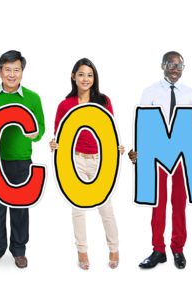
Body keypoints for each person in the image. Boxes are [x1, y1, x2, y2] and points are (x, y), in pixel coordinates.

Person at [133, 51, 192, 270]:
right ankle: (158, 249)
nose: (176, 69)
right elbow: (143, 123)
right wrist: (139, 153)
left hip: (181, 154)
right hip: (157, 153)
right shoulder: (150, 92)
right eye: (171, 64)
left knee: (179, 202)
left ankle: (178, 248)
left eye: (180, 65)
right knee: (157, 203)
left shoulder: (190, 93)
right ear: (162, 66)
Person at [49, 58, 124, 270]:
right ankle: (82, 251)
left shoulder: (103, 100)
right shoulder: (65, 104)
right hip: (76, 160)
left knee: (106, 207)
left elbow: (111, 129)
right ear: (73, 76)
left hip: (101, 160)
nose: (85, 79)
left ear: (94, 78)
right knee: (77, 209)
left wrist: (117, 148)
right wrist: (54, 144)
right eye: (81, 74)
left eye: (90, 75)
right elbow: (59, 133)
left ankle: (114, 247)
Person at [0, 50, 45, 269]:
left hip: (22, 161)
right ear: (0, 71)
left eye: (16, 70)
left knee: (20, 206)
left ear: (22, 72)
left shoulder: (32, 97)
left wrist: (36, 134)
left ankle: (19, 250)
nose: (12, 74)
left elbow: (40, 127)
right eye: (7, 70)